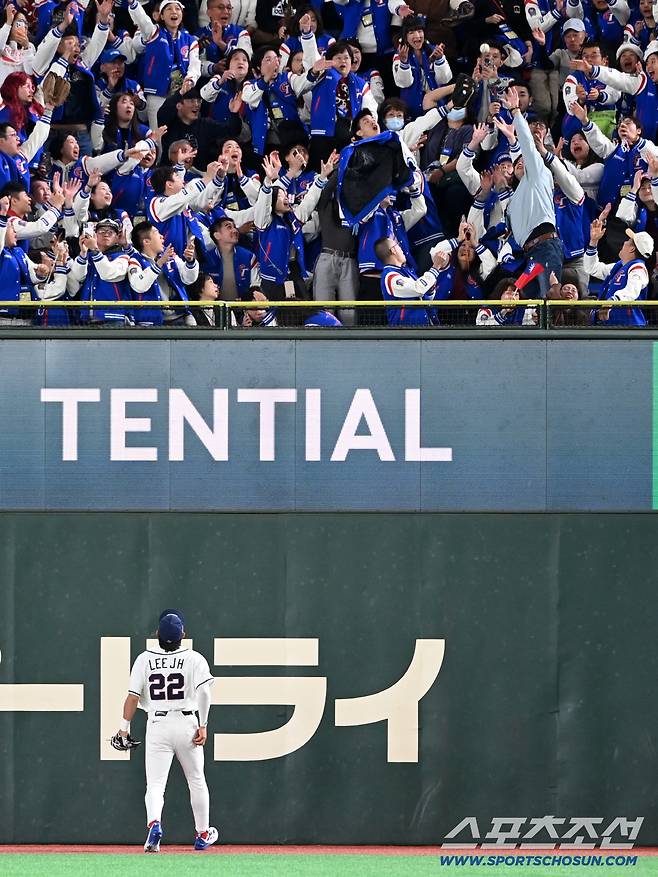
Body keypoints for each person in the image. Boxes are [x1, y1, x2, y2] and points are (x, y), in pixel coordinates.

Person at [113, 610, 218, 853]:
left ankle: (154, 825)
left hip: (158, 724)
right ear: (183, 635)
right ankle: (202, 834)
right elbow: (204, 692)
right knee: (196, 780)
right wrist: (203, 724)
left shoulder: (144, 659)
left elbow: (132, 697)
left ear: (158, 634)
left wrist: (123, 729)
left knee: (156, 784)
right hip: (187, 723)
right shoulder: (194, 658)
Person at [500, 84, 563, 296]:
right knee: (531, 311)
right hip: (529, 254)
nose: (520, 164)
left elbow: (527, 146)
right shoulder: (516, 196)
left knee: (551, 301)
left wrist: (516, 112)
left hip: (545, 246)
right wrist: (511, 139)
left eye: (523, 162)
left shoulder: (538, 174)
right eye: (516, 163)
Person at [376, 234, 449, 326]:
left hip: (424, 327)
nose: (401, 248)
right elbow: (418, 288)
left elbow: (423, 297)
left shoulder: (406, 271)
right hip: (406, 332)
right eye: (398, 245)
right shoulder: (390, 276)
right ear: (393, 250)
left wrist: (430, 291)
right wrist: (436, 266)